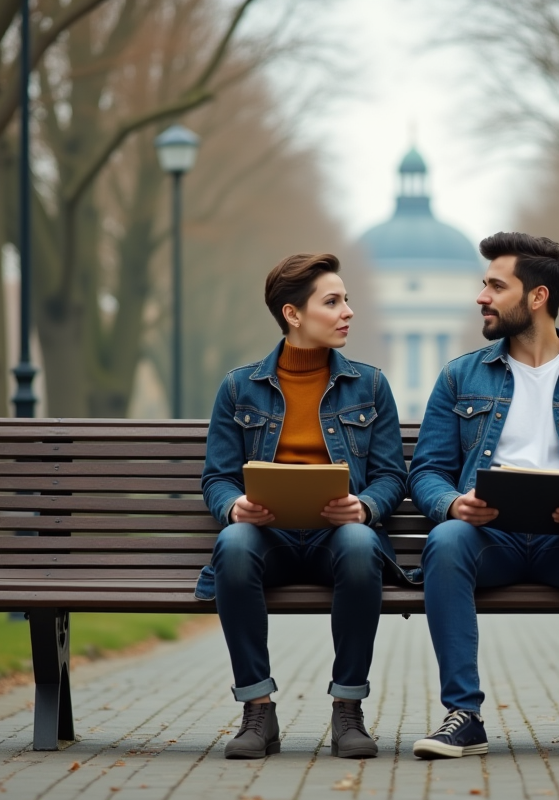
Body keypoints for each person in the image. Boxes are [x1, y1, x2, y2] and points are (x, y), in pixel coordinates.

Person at [408, 232, 559, 760]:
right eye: (484, 285)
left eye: (496, 286)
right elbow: (427, 470)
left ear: (537, 297)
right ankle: (464, 715)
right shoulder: (460, 376)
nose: (482, 297)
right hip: (488, 540)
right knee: (448, 539)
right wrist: (454, 504)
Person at [198, 253, 408, 760]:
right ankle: (257, 710)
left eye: (347, 300)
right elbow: (217, 478)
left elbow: (391, 477)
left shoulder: (371, 385)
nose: (347, 312)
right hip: (267, 535)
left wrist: (364, 507)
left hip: (336, 536)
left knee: (360, 544)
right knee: (234, 542)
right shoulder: (238, 387)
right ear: (293, 314)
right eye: (332, 302)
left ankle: (347, 709)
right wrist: (235, 507)